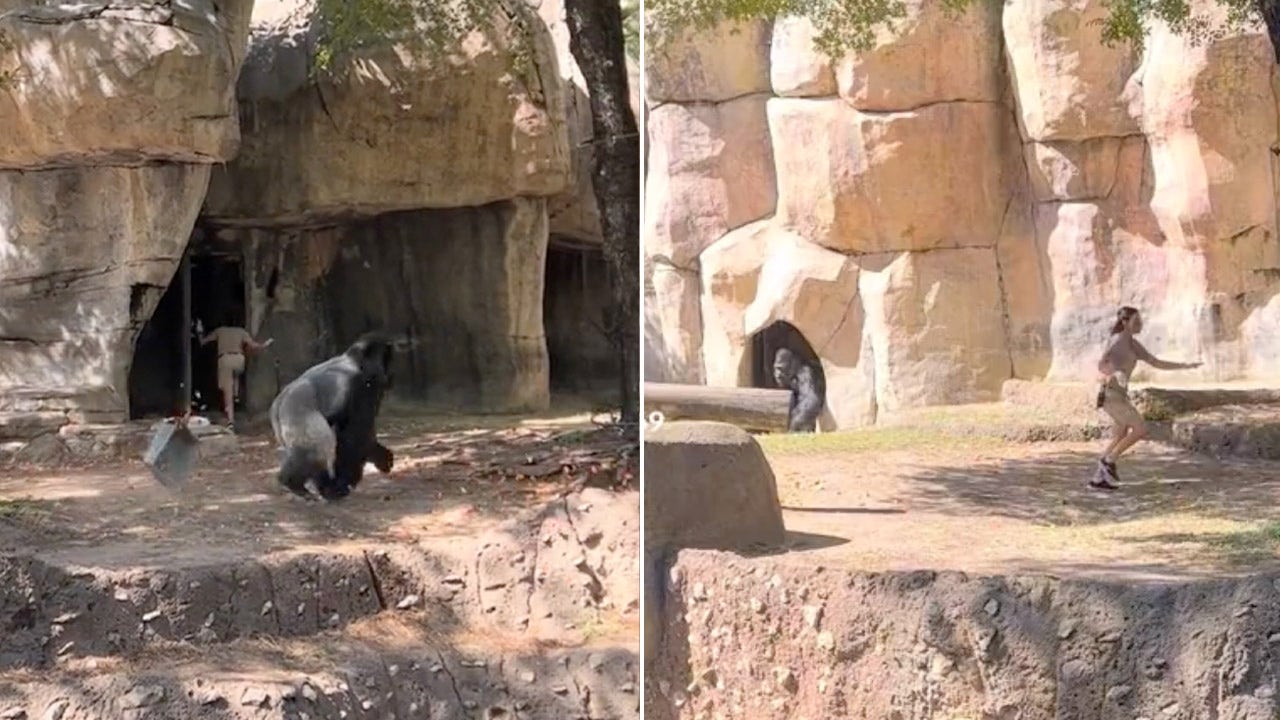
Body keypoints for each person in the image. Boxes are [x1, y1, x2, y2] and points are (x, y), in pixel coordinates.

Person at [1092, 306, 1201, 490]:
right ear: (1125, 322)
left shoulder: (1133, 344)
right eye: (1136, 321)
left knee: (1120, 434)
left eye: (1140, 320)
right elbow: (1101, 365)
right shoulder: (1117, 340)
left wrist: (1186, 366)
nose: (1140, 324)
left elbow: (1156, 362)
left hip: (1120, 395)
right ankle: (1109, 461)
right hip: (1111, 395)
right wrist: (1115, 372)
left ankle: (1098, 479)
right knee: (1140, 429)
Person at [198, 320, 273, 427]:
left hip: (225, 359)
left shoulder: (220, 330)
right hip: (239, 359)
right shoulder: (241, 331)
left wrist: (200, 332)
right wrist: (264, 344)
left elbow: (203, 341)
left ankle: (230, 419)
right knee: (235, 376)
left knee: (227, 389)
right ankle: (236, 392)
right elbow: (254, 345)